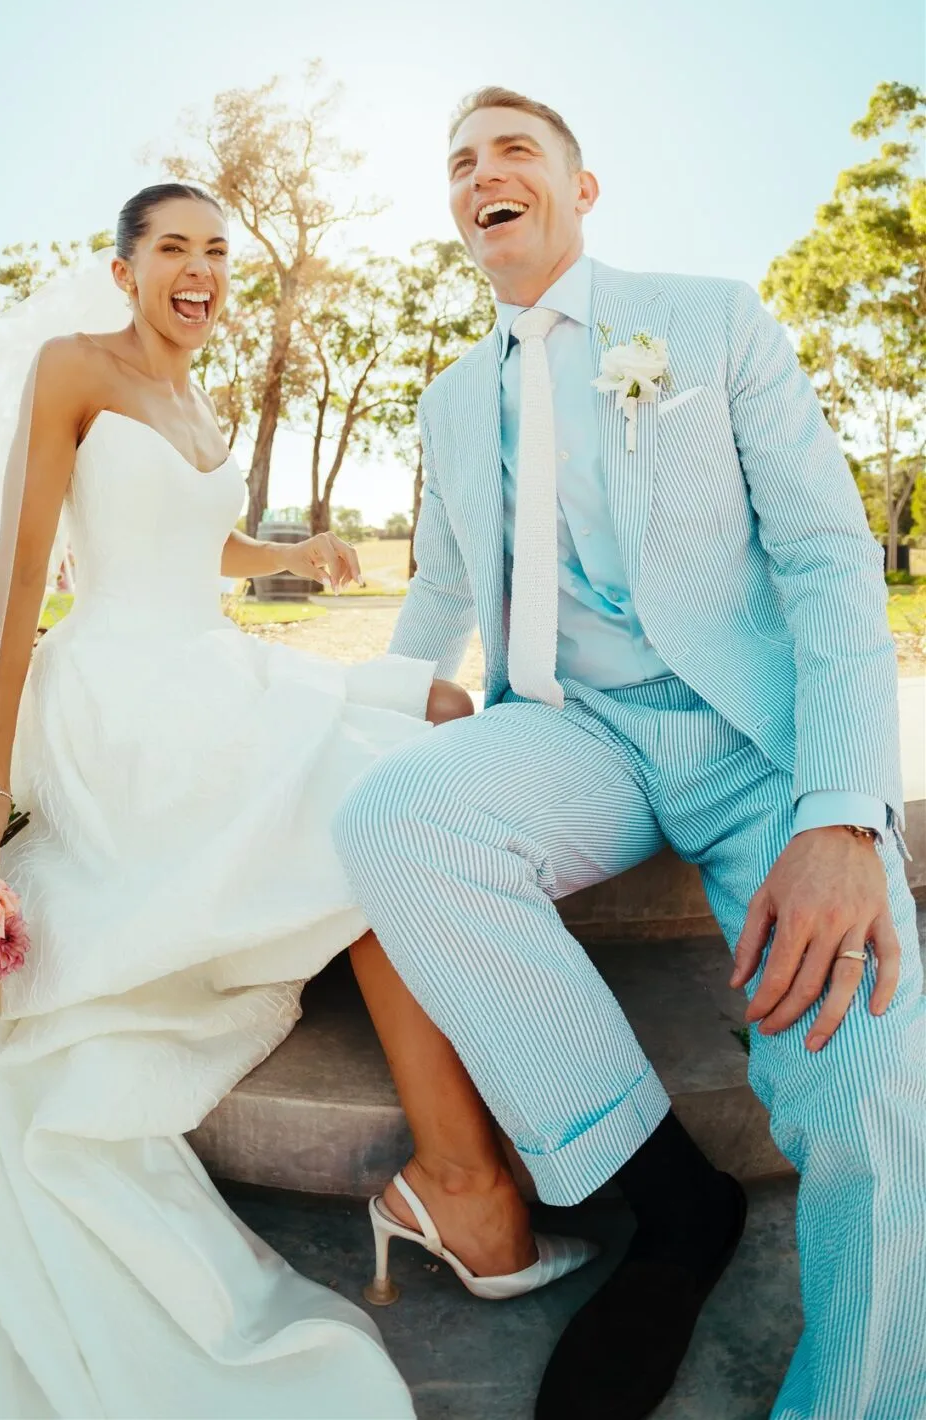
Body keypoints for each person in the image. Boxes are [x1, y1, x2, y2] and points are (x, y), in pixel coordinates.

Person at [0, 181, 593, 1420]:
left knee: (438, 708)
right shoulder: (75, 366)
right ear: (125, 269)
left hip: (212, 665)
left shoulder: (197, 394)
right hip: (122, 698)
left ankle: (479, 1134)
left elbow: (191, 544)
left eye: (216, 251)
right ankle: (458, 1180)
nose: (199, 270)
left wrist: (288, 554)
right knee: (384, 802)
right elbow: (20, 569)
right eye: (173, 249)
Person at [334, 87, 926, 1420]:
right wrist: (366, 719)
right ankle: (664, 1198)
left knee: (873, 1080)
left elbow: (828, 558)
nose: (483, 173)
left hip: (753, 744)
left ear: (579, 188)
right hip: (570, 735)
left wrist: (845, 814)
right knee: (388, 818)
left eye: (514, 150)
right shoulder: (446, 402)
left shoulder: (710, 322)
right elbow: (439, 590)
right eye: (460, 162)